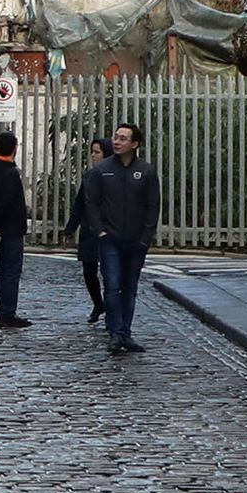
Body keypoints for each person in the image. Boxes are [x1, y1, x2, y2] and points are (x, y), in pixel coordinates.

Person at [84, 121, 162, 355]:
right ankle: (115, 332)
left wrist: (146, 237)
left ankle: (125, 332)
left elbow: (153, 206)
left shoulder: (146, 172)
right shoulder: (102, 170)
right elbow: (92, 203)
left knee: (129, 287)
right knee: (112, 285)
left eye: (123, 138)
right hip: (111, 239)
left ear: (135, 143)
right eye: (116, 137)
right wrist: (100, 230)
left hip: (136, 240)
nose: (117, 142)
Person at [0, 125, 32, 327]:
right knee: (11, 271)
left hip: (1, 227)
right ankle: (7, 312)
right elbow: (7, 202)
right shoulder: (10, 174)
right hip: (11, 229)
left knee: (5, 270)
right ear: (15, 148)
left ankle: (5, 310)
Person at [67, 137, 112, 325]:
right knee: (89, 271)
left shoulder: (113, 176)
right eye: (92, 152)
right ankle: (98, 304)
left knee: (110, 272)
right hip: (89, 230)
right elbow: (80, 204)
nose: (93, 156)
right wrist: (70, 229)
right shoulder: (89, 176)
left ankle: (112, 309)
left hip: (108, 229)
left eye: (97, 152)